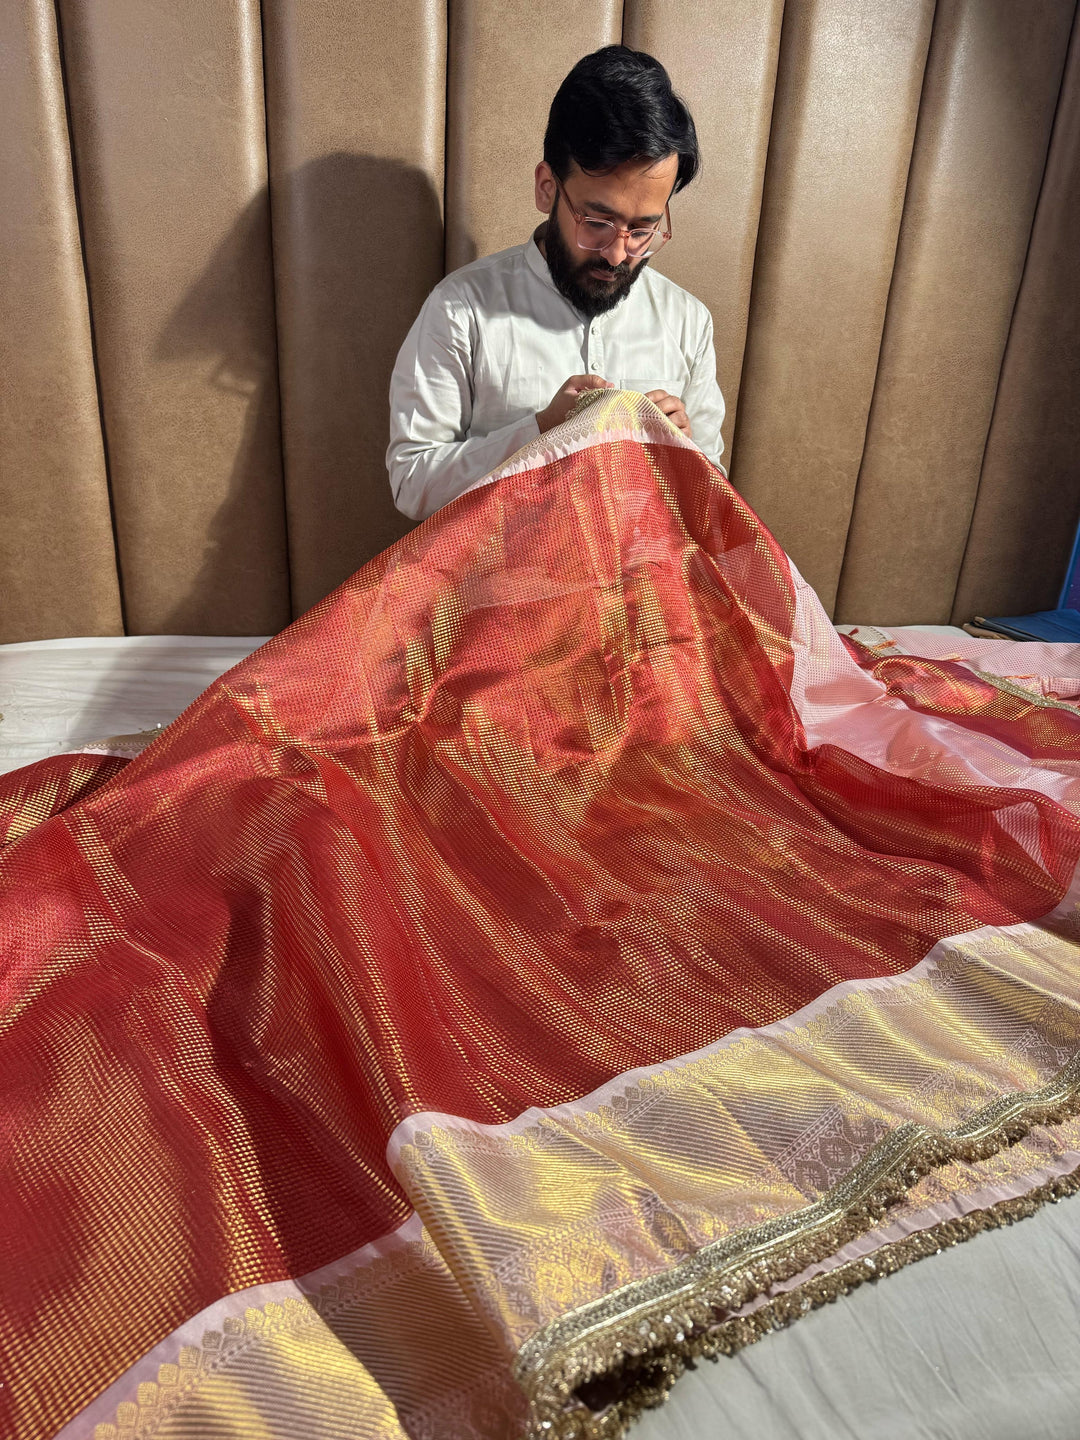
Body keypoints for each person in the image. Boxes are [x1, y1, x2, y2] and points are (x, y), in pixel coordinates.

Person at [387, 45, 727, 522]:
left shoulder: (688, 322)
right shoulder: (460, 310)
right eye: (597, 221)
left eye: (644, 230)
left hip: (643, 595)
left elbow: (713, 512)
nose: (617, 253)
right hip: (501, 593)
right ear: (547, 186)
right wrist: (540, 431)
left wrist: (684, 455)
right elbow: (412, 483)